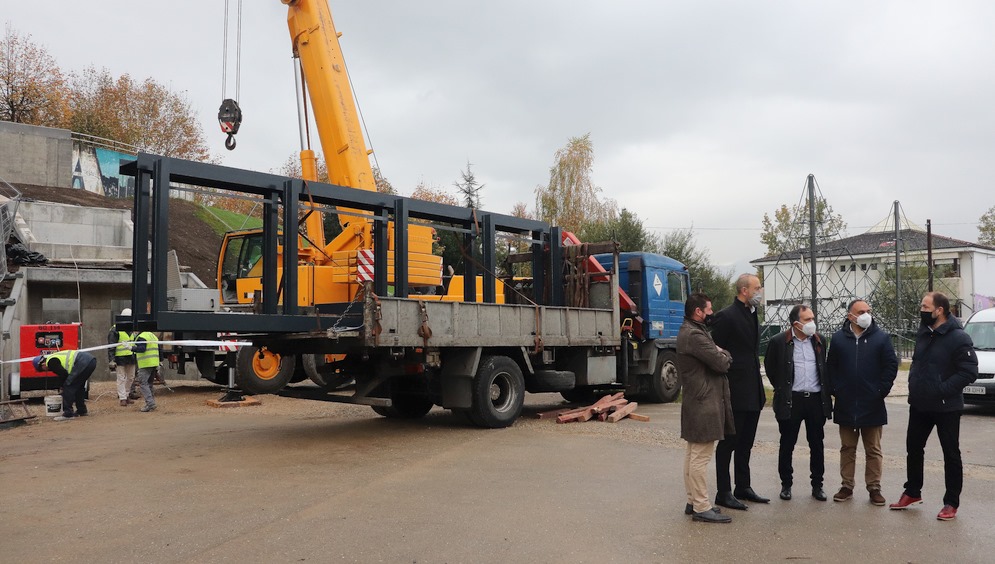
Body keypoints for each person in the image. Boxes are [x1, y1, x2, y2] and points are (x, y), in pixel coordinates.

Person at [890, 292, 978, 521]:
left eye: (925, 306)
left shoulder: (958, 337)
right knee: (914, 448)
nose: (921, 309)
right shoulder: (923, 332)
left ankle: (951, 502)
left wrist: (942, 389)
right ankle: (912, 491)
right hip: (919, 404)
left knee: (950, 454)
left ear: (939, 310)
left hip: (946, 406)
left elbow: (969, 371)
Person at [827, 299, 897, 506]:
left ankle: (874, 487)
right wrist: (836, 389)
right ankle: (846, 486)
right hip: (846, 403)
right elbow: (831, 367)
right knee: (847, 447)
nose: (866, 314)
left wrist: (880, 391)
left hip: (872, 403)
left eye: (868, 310)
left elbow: (890, 366)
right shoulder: (839, 339)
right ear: (850, 316)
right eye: (861, 311)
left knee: (873, 449)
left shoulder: (881, 338)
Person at [711, 273, 769, 510]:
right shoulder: (726, 316)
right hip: (734, 390)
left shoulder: (752, 314)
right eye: (757, 288)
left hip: (753, 388)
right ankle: (723, 491)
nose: (760, 291)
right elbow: (716, 353)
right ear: (744, 290)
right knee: (729, 443)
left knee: (746, 442)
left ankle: (742, 486)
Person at [763, 304, 832, 502]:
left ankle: (817, 485)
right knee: (787, 444)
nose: (812, 323)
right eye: (807, 319)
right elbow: (770, 368)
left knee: (817, 444)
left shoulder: (819, 340)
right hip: (791, 400)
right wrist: (783, 388)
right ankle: (786, 485)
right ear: (796, 324)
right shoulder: (779, 341)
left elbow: (822, 366)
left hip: (816, 400)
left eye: (812, 318)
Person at [678, 292, 734, 523]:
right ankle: (701, 506)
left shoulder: (692, 332)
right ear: (698, 312)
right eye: (709, 309)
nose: (712, 313)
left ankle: (693, 501)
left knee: (693, 454)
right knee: (700, 456)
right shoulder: (695, 335)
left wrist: (719, 352)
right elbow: (721, 363)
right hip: (704, 404)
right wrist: (725, 353)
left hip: (697, 400)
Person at [33, 350, 97, 422]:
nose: (45, 371)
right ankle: (82, 410)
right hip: (90, 361)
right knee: (79, 387)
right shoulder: (54, 357)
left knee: (68, 386)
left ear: (42, 364)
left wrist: (62, 386)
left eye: (42, 370)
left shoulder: (51, 362)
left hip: (82, 362)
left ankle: (68, 413)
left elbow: (63, 374)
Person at [108, 308, 137, 406]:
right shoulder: (115, 330)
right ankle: (122, 398)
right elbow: (111, 346)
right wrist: (111, 360)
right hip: (120, 358)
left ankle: (127, 394)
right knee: (121, 378)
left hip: (131, 357)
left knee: (131, 378)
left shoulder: (132, 329)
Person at [132, 330, 160, 412]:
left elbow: (142, 349)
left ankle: (150, 404)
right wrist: (160, 361)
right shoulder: (153, 335)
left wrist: (131, 348)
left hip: (145, 364)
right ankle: (152, 402)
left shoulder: (142, 337)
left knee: (143, 383)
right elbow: (159, 350)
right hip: (154, 363)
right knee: (149, 384)